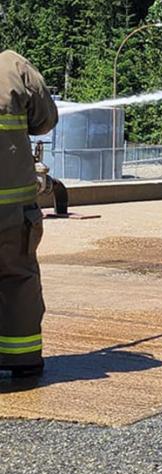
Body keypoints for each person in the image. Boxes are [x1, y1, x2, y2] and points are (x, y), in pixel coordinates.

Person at [0, 50, 58, 378]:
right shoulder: (13, 66)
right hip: (12, 211)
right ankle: (22, 358)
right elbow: (45, 120)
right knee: (18, 277)